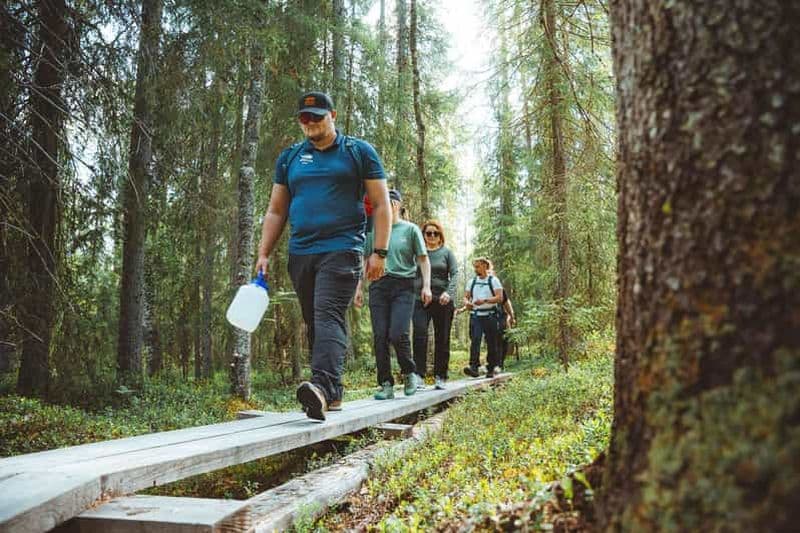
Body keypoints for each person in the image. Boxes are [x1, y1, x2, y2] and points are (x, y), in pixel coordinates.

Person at [255, 91, 391, 421]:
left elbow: (383, 204)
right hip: (301, 252)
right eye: (304, 117)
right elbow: (276, 211)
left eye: (317, 116)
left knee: (328, 313)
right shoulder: (290, 158)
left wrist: (379, 252)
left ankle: (322, 386)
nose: (311, 122)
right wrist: (263, 253)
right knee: (316, 320)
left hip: (343, 248)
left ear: (333, 115)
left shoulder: (358, 152)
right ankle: (333, 393)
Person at [355, 189, 432, 399]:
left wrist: (426, 286)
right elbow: (365, 260)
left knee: (398, 333)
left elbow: (423, 260)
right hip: (378, 286)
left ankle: (409, 373)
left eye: (386, 202)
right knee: (380, 335)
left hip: (404, 286)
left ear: (396, 205)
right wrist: (359, 288)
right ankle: (386, 384)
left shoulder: (410, 230)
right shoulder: (373, 232)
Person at [412, 220, 458, 390]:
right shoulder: (417, 253)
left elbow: (455, 274)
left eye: (435, 233)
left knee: (442, 337)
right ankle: (419, 376)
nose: (431, 236)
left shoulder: (446, 253)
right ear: (423, 236)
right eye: (428, 233)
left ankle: (441, 376)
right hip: (419, 299)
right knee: (419, 334)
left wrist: (449, 293)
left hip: (442, 300)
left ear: (440, 236)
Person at [463, 258, 504, 378]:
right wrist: (467, 303)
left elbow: (500, 297)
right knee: (475, 340)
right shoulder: (472, 282)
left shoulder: (494, 280)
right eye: (475, 267)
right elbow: (466, 297)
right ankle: (473, 367)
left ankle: (491, 367)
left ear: (486, 266)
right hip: (476, 315)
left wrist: (485, 300)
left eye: (478, 266)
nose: (476, 269)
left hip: (490, 315)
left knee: (491, 341)